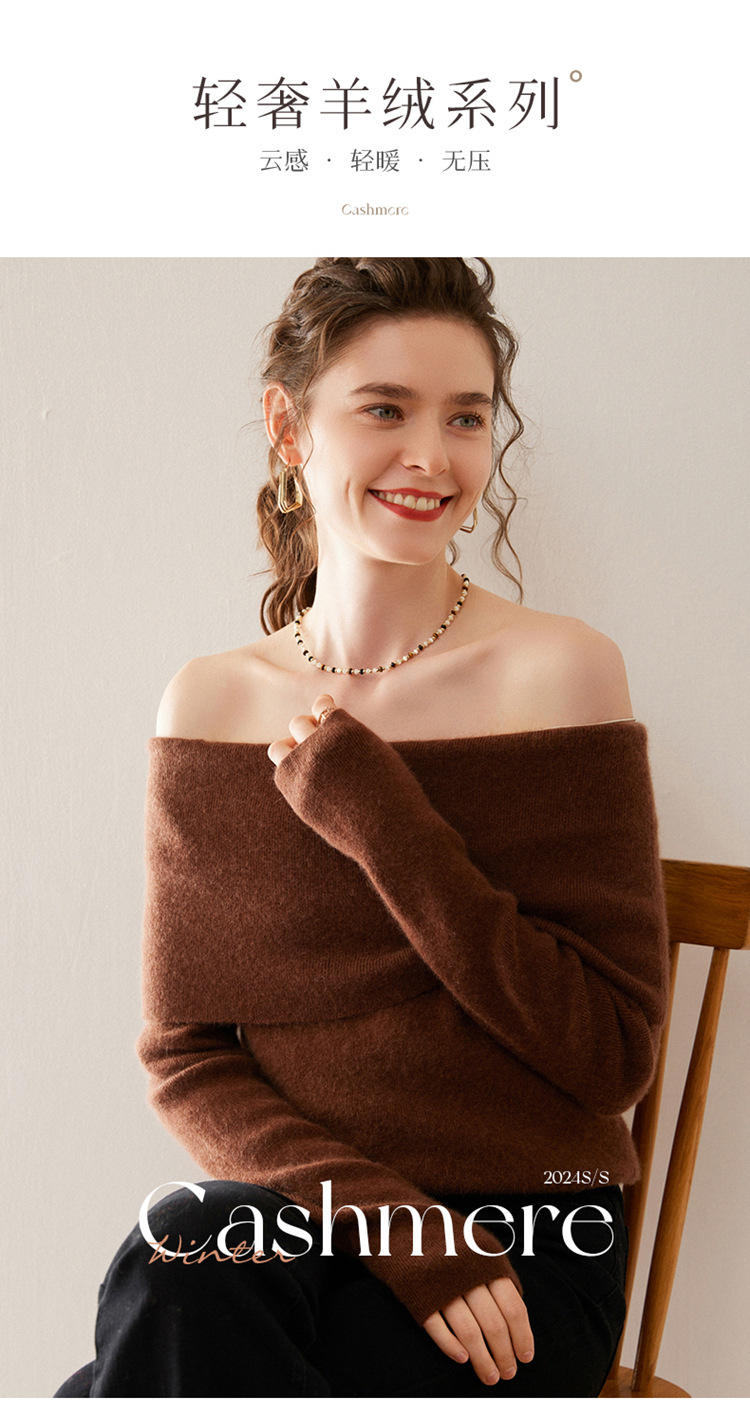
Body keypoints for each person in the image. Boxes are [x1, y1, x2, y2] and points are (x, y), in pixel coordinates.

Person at [55, 258, 669, 1398]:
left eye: (466, 417)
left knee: (163, 1355)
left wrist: (382, 820)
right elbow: (186, 1057)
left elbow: (612, 1057)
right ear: (290, 426)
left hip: (524, 1242)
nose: (432, 455)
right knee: (184, 1254)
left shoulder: (560, 673)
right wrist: (388, 1222)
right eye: (385, 409)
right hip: (305, 1216)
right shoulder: (212, 703)